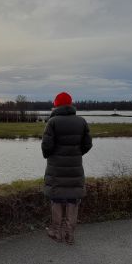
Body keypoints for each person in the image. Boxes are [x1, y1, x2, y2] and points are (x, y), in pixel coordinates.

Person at [41, 92, 92, 245]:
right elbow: (87, 145)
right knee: (72, 201)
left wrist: (54, 155)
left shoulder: (52, 122)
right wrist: (75, 154)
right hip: (75, 168)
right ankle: (69, 235)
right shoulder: (81, 121)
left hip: (56, 169)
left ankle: (56, 232)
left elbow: (46, 148)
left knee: (56, 199)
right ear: (70, 105)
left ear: (56, 105)